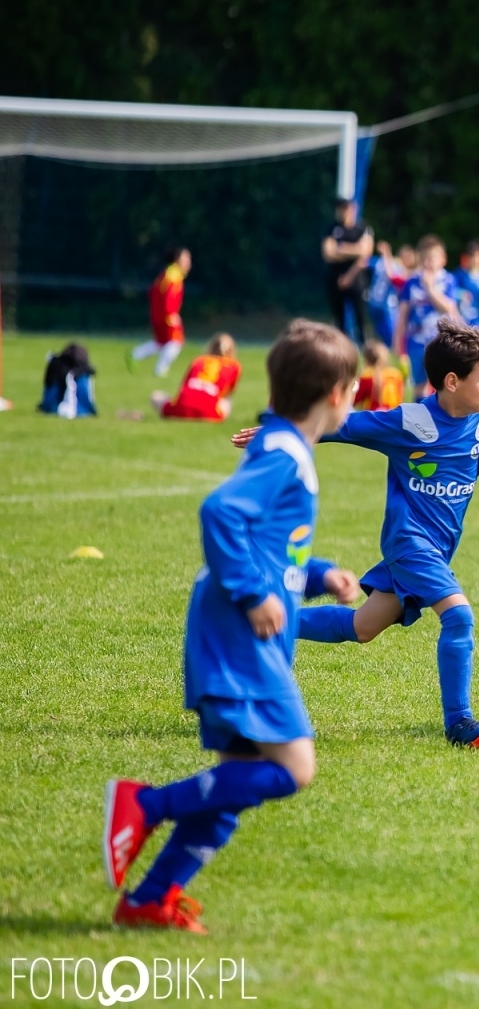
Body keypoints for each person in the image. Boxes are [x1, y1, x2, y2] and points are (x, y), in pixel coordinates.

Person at [102, 320, 361, 932]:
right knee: (294, 767)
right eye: (355, 388)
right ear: (334, 394)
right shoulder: (285, 454)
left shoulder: (281, 442)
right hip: (242, 626)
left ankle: (148, 900)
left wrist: (319, 574)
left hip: (241, 620)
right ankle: (146, 803)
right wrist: (251, 595)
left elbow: (270, 541)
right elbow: (220, 512)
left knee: (237, 778)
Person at [243, 320, 479, 748]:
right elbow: (345, 426)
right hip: (409, 544)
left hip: (436, 550)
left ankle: (269, 622)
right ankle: (459, 722)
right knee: (458, 616)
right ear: (452, 381)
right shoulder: (411, 421)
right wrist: (280, 431)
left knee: (362, 627)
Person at [395, 235, 460, 401]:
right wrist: (397, 342)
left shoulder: (448, 280)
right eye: (423, 259)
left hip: (441, 340)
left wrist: (430, 289)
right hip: (417, 341)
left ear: (442, 259)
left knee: (444, 384)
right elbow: (402, 315)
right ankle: (419, 422)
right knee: (419, 384)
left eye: (431, 259)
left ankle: (441, 420)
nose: (427, 263)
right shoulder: (411, 283)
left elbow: (448, 307)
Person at [128, 248, 190, 377]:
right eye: (185, 259)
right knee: (176, 341)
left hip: (158, 314)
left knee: (161, 342)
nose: (188, 262)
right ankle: (160, 369)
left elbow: (152, 292)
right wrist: (171, 313)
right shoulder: (174, 275)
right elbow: (168, 296)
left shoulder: (166, 274)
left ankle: (136, 354)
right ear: (177, 260)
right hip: (166, 316)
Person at [152, 333, 242, 422]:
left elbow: (183, 386)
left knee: (156, 395)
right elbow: (229, 392)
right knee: (227, 401)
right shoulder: (234, 365)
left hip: (180, 411)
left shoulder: (198, 360)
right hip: (210, 414)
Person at [322, 199, 374, 342]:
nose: (344, 212)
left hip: (356, 278)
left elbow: (365, 253)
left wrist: (341, 249)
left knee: (360, 315)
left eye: (347, 208)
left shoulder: (363, 228)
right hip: (335, 278)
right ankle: (341, 347)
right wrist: (353, 249)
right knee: (339, 317)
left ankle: (364, 346)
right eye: (342, 208)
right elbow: (328, 253)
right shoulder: (333, 228)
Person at [365, 240, 405, 350]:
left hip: (388, 304)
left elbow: (391, 276)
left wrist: (386, 254)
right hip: (374, 301)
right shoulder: (378, 262)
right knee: (378, 328)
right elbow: (363, 263)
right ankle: (381, 348)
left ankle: (393, 348)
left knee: (390, 329)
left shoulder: (397, 265)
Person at [354, 340, 406, 412]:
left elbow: (355, 401)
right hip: (394, 417)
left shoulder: (366, 377)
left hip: (373, 418)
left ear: (366, 360)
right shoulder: (396, 375)